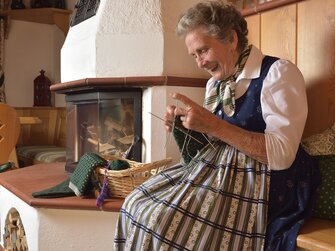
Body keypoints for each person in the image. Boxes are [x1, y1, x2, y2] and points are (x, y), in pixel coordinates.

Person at [114, 1, 320, 250]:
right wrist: (185, 129)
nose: (199, 63)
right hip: (218, 174)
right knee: (135, 204)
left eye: (203, 51)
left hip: (266, 183)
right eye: (194, 55)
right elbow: (210, 148)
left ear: (231, 39)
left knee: (164, 224)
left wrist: (211, 124)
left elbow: (282, 155)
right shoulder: (215, 85)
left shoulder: (278, 73)